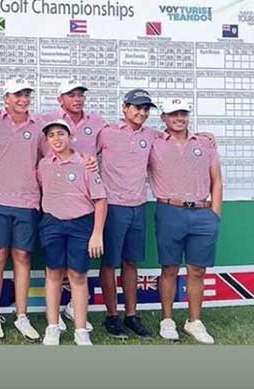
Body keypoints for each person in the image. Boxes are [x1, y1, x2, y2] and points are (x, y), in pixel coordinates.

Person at [149, 99, 222, 344]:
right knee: (169, 267)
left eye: (183, 113)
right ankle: (167, 319)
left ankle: (194, 321)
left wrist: (215, 212)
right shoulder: (154, 142)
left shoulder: (205, 143)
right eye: (173, 114)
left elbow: (217, 180)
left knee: (197, 271)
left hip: (202, 213)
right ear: (163, 118)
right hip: (170, 210)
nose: (179, 118)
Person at [0, 78, 45, 342]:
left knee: (22, 257)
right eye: (17, 95)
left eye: (26, 95)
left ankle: (21, 316)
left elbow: (50, 158)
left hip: (28, 200)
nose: (23, 99)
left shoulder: (40, 127)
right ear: (6, 98)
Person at [42, 79, 106, 332]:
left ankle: (80, 329)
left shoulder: (86, 163)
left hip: (82, 223)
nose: (56, 138)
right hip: (51, 223)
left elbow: (100, 199)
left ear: (71, 137)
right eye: (51, 135)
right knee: (53, 273)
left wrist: (97, 233)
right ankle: (52, 326)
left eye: (61, 133)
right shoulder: (43, 165)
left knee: (78, 276)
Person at [95, 89, 159, 340]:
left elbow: (177, 137)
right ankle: (112, 317)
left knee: (131, 262)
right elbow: (84, 153)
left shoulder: (152, 136)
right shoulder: (107, 132)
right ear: (125, 108)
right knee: (109, 262)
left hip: (138, 206)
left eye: (145, 109)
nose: (141, 112)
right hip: (112, 207)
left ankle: (131, 316)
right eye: (136, 107)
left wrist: (204, 136)